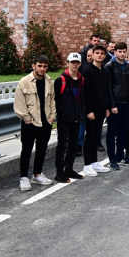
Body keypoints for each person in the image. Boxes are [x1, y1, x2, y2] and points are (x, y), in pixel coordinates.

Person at [14, 55, 57, 191]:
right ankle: (24, 178)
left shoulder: (49, 81)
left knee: (42, 149)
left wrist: (51, 117)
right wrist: (26, 118)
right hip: (30, 123)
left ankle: (37, 174)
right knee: (26, 150)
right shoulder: (24, 81)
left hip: (45, 122)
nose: (42, 69)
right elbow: (19, 103)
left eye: (45, 66)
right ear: (33, 66)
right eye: (39, 65)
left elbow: (53, 101)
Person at [105, 42, 129, 170]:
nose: (122, 54)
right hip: (116, 103)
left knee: (123, 131)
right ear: (115, 52)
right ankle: (112, 159)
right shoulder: (110, 66)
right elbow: (108, 87)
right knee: (112, 131)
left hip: (127, 103)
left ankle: (120, 156)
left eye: (124, 51)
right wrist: (112, 104)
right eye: (120, 51)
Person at [53, 53, 86, 183]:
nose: (75, 64)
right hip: (64, 119)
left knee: (73, 145)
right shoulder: (60, 80)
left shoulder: (81, 79)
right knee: (62, 145)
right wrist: (62, 113)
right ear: (67, 63)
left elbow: (82, 98)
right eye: (72, 62)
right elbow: (55, 100)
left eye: (77, 62)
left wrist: (82, 113)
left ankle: (69, 169)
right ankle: (59, 173)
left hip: (77, 117)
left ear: (80, 64)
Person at [81, 46, 112, 176]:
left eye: (102, 53)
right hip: (91, 110)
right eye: (97, 53)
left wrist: (107, 107)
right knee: (90, 136)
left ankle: (94, 162)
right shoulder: (87, 70)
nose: (99, 55)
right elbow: (85, 92)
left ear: (105, 56)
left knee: (96, 136)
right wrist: (88, 110)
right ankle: (87, 165)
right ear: (92, 55)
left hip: (101, 109)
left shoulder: (104, 70)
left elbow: (106, 90)